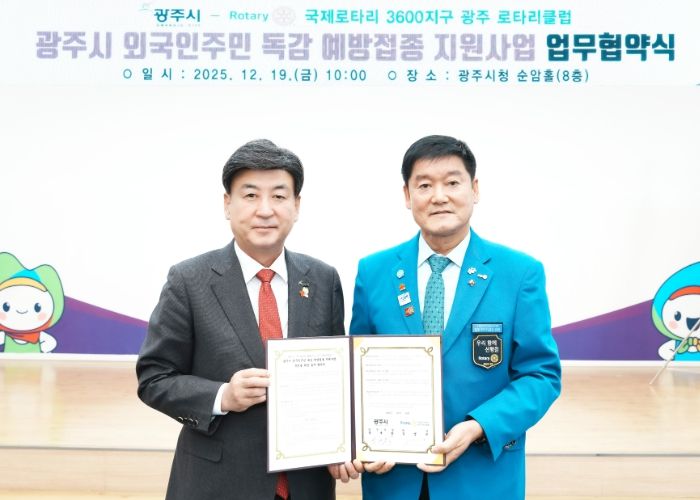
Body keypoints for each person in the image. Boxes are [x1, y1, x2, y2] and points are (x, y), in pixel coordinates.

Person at [137, 139, 355, 500]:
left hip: (307, 484)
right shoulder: (189, 280)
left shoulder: (322, 279)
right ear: (228, 204)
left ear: (297, 206)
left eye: (279, 196)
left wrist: (343, 442)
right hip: (217, 485)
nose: (265, 210)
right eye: (251, 195)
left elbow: (338, 378)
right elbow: (154, 378)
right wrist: (222, 395)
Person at [349, 135, 561, 499]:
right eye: (424, 185)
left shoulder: (519, 273)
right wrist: (363, 439)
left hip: (481, 476)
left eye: (452, 182)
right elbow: (357, 373)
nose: (439, 196)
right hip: (394, 479)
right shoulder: (374, 272)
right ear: (407, 195)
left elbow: (541, 375)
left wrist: (479, 426)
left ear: (474, 189)